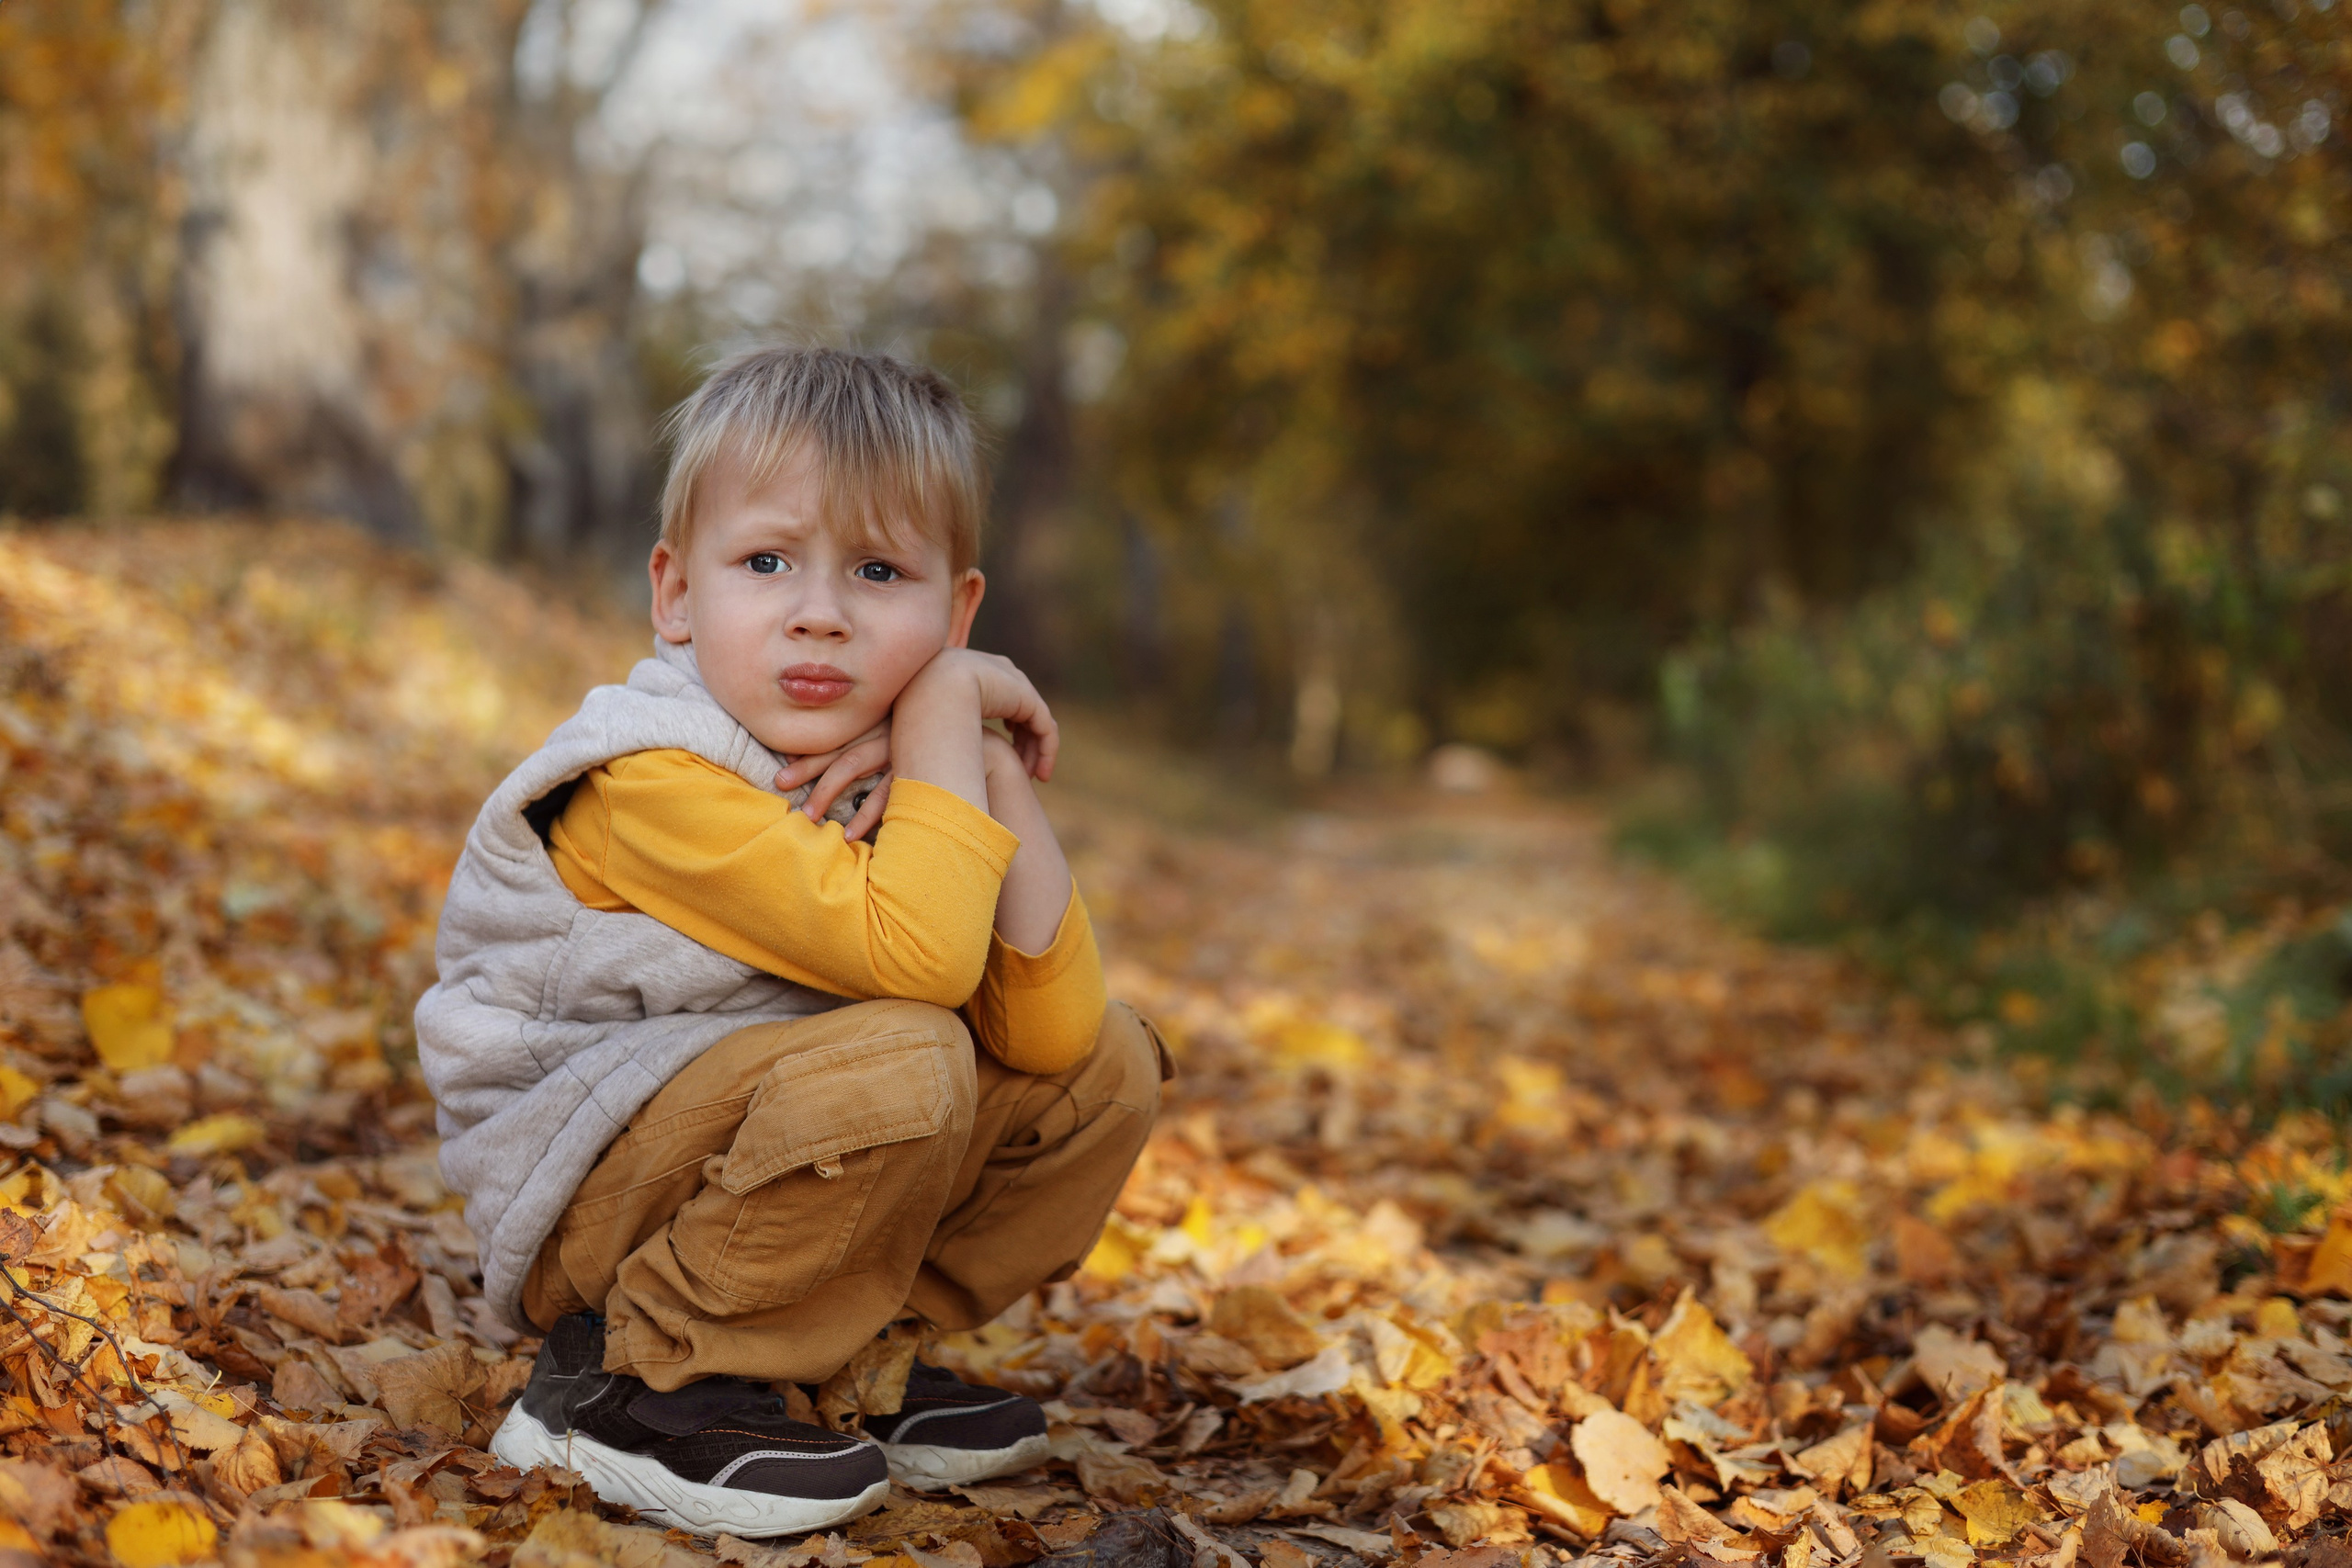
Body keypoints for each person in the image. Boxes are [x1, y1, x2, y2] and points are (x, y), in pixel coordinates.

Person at [414, 346, 1168, 1538]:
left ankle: (840, 1357)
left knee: (1109, 1064)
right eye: (766, 563)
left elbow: (1053, 1028)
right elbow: (918, 964)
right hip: (590, 1200)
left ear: (955, 612)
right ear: (675, 596)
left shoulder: (896, 765)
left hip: (771, 1151)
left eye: (879, 570)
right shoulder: (644, 777)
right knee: (907, 1050)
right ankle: (631, 1384)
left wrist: (976, 763)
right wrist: (936, 705)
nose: (819, 610)